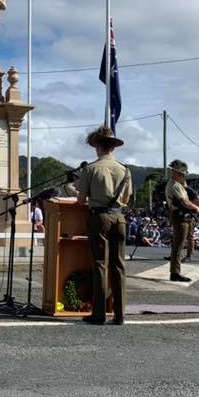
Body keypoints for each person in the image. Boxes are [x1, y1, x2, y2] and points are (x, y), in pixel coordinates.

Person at [77, 126, 132, 326]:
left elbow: (81, 200)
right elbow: (126, 198)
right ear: (113, 148)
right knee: (119, 267)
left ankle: (99, 313)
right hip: (119, 218)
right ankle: (119, 314)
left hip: (99, 217)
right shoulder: (125, 170)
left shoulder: (90, 169)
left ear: (98, 147)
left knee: (100, 264)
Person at [165, 160, 199, 282]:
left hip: (180, 214)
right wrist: (195, 207)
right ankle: (175, 273)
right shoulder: (175, 185)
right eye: (182, 174)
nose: (184, 176)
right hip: (179, 215)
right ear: (178, 173)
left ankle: (175, 271)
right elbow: (184, 201)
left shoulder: (176, 183)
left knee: (178, 243)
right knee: (178, 244)